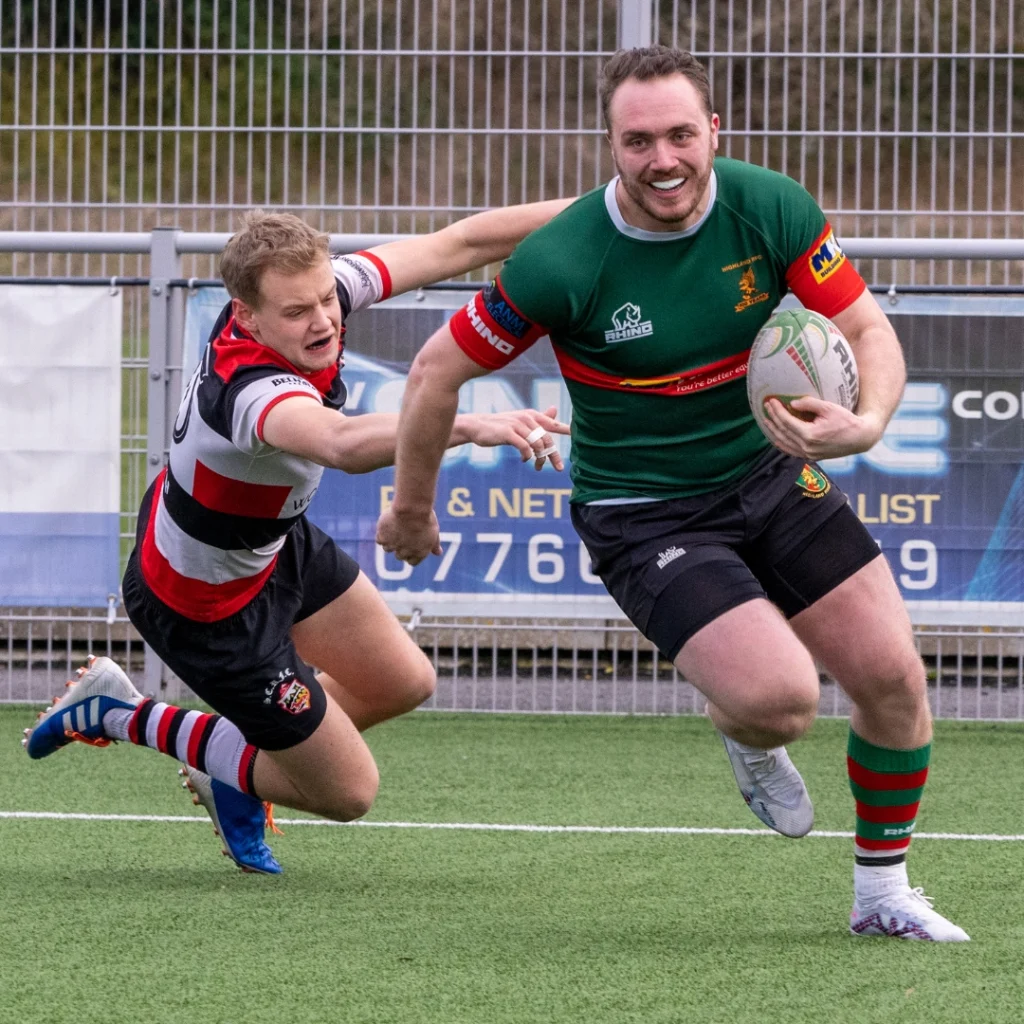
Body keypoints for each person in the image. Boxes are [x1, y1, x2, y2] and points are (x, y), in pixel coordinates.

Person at [375, 46, 968, 941]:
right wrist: (413, 510)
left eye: (682, 135)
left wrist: (871, 420)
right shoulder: (564, 259)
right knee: (782, 702)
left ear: (713, 131)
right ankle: (742, 721)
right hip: (642, 511)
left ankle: (882, 893)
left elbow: (862, 325)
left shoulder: (769, 206)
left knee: (892, 678)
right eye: (639, 140)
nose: (664, 160)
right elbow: (432, 373)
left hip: (768, 472)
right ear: (610, 145)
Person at [23, 205, 572, 874]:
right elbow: (339, 443)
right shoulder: (249, 390)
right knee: (348, 793)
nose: (323, 320)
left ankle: (235, 766)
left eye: (324, 299)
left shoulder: (314, 297)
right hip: (206, 607)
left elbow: (459, 242)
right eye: (297, 311)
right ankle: (120, 713)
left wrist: (607, 205)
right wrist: (463, 424)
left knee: (404, 680)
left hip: (270, 544)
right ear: (247, 316)